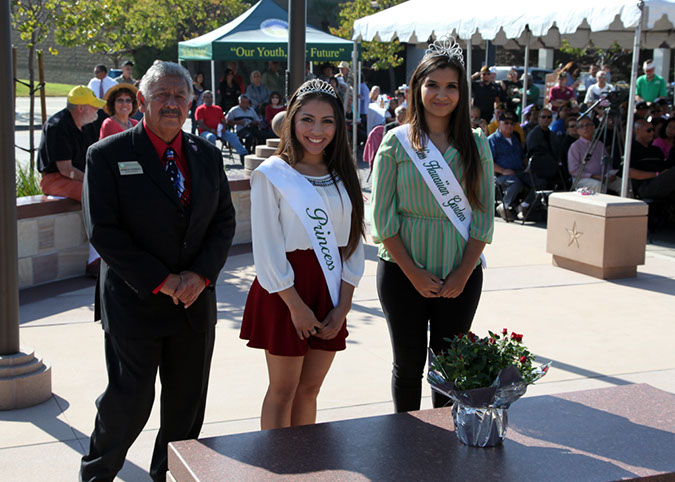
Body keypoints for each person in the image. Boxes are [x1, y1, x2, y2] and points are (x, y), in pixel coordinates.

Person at [79, 61, 236, 481]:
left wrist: (199, 276)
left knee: (186, 408)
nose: (171, 103)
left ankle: (169, 476)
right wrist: (162, 280)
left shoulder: (206, 154)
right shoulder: (107, 155)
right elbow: (103, 231)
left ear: (190, 103)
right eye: (162, 95)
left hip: (193, 303)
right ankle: (97, 474)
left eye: (179, 96)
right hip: (135, 302)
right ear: (143, 100)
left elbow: (223, 223)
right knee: (127, 403)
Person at [371, 36, 494, 413]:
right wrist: (413, 272)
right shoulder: (396, 143)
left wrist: (463, 271)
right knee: (408, 366)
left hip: (461, 275)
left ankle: (444, 444)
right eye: (433, 85)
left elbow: (484, 215)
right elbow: (382, 218)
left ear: (462, 92)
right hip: (402, 272)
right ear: (417, 89)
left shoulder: (476, 144)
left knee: (449, 370)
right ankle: (407, 444)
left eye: (451, 86)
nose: (442, 95)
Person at [240, 79, 365, 429]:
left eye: (327, 121)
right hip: (286, 290)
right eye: (307, 119)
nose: (317, 130)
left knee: (309, 390)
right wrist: (296, 307)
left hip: (330, 288)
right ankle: (277, 469)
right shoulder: (272, 175)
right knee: (283, 390)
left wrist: (343, 306)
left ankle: (307, 464)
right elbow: (266, 249)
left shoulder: (344, 175)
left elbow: (353, 245)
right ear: (292, 120)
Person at [37, 85, 103, 202]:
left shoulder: (88, 124)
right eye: (94, 106)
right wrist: (93, 179)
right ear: (81, 108)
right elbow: (66, 169)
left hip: (79, 176)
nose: (98, 108)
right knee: (96, 192)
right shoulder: (57, 126)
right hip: (56, 178)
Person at [489, 111, 528, 221]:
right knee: (517, 183)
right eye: (506, 123)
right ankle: (504, 206)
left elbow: (521, 156)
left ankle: (522, 207)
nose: (509, 126)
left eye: (512, 123)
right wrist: (502, 170)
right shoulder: (493, 140)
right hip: (500, 176)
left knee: (536, 181)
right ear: (499, 123)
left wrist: (527, 165)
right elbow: (488, 161)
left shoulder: (515, 139)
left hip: (518, 171)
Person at [568, 116, 622, 193]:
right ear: (578, 130)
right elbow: (573, 170)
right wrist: (594, 176)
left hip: (603, 177)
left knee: (623, 183)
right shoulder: (575, 146)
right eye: (582, 126)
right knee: (597, 185)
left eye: (588, 125)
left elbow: (607, 162)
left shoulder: (599, 144)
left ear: (593, 127)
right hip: (583, 179)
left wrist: (610, 174)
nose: (585, 128)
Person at [195, 90, 248, 162]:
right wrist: (211, 130)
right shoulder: (200, 109)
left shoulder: (217, 108)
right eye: (207, 97)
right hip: (206, 131)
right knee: (211, 137)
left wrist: (223, 127)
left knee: (232, 136)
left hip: (219, 131)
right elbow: (200, 124)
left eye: (211, 97)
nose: (209, 99)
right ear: (203, 99)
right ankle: (212, 157)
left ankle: (243, 154)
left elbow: (224, 121)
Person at [628, 119, 675, 201]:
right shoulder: (630, 149)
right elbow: (629, 172)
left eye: (653, 130)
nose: (652, 133)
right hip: (644, 186)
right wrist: (657, 174)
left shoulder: (656, 150)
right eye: (649, 130)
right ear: (637, 131)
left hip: (661, 184)